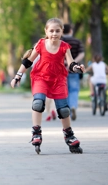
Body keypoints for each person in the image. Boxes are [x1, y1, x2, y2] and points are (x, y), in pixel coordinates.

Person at [10, 18, 85, 154]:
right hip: (41, 78)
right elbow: (28, 61)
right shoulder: (41, 44)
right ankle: (36, 132)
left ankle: (69, 135)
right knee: (38, 103)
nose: (54, 33)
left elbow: (71, 64)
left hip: (58, 79)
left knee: (64, 110)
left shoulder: (64, 46)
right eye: (51, 31)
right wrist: (18, 76)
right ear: (46, 31)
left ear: (62, 31)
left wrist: (78, 68)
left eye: (57, 31)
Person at [62, 24, 85, 121]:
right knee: (74, 90)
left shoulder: (61, 42)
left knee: (64, 91)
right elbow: (82, 53)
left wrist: (67, 63)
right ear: (71, 31)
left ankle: (67, 109)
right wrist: (73, 63)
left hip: (62, 70)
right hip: (75, 70)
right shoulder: (77, 41)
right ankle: (73, 106)